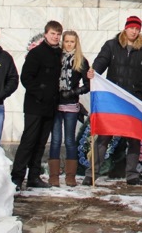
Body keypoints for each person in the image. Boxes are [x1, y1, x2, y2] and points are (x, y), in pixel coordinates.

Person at [84, 15, 142, 186]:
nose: (134, 31)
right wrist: (93, 71)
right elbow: (101, 62)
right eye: (131, 27)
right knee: (103, 136)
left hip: (133, 100)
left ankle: (132, 174)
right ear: (125, 28)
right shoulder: (112, 45)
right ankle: (92, 173)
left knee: (134, 137)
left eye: (137, 29)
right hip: (113, 99)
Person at [12, 20, 63, 190]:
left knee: (41, 143)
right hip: (35, 105)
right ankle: (17, 178)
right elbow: (26, 77)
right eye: (52, 34)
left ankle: (34, 176)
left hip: (50, 106)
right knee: (29, 141)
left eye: (58, 34)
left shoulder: (58, 54)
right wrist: (40, 93)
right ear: (46, 34)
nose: (55, 37)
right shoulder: (37, 53)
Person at [47, 30, 92, 187]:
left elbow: (88, 84)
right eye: (66, 41)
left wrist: (73, 92)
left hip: (71, 103)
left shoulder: (80, 61)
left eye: (72, 42)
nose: (69, 44)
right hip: (55, 103)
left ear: (76, 43)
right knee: (56, 140)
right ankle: (53, 175)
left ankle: (70, 175)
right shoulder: (56, 58)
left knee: (69, 140)